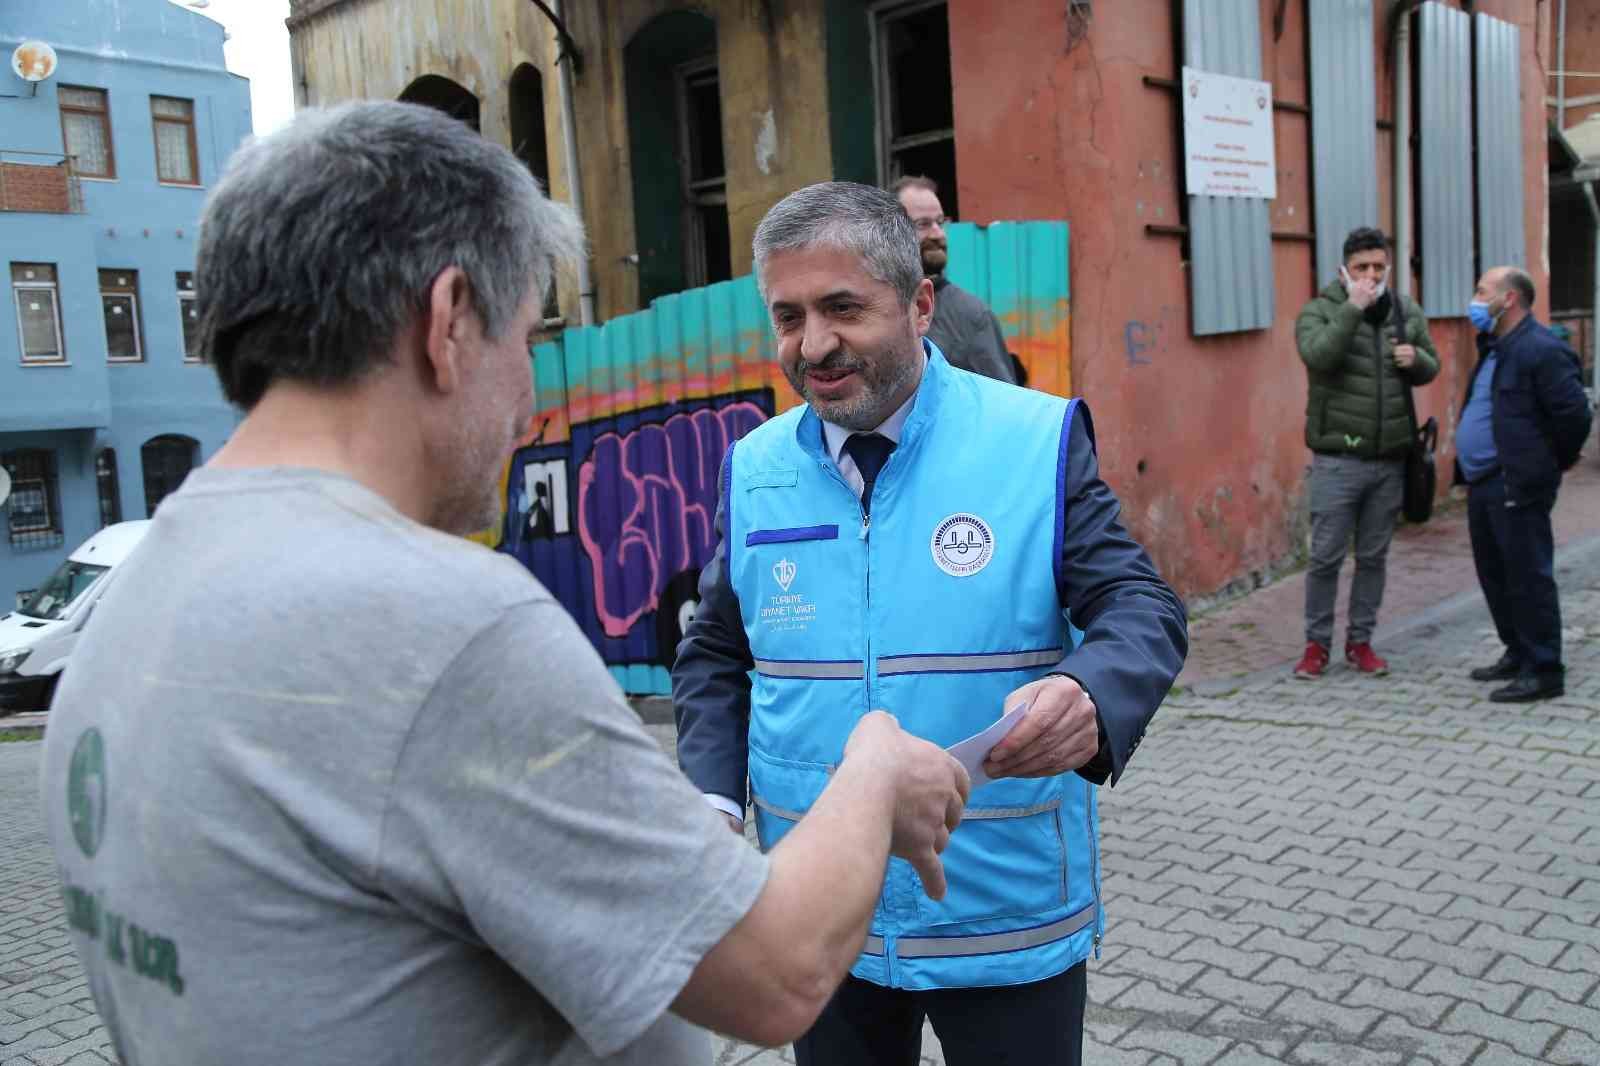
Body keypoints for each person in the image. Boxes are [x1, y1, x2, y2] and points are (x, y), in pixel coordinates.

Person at [39, 102, 971, 1066]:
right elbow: (776, 974)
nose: (528, 404)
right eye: (524, 339)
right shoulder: (444, 627)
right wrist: (872, 771)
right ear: (447, 324)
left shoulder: (138, 590)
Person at [673, 181, 1188, 1066]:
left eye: (843, 307)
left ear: (918, 306)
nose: (815, 345)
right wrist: (711, 802)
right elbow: (716, 651)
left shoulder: (1033, 440)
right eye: (789, 316)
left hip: (1002, 913)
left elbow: (1141, 607)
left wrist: (1089, 693)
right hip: (821, 912)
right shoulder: (752, 466)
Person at [1292, 226, 1440, 679]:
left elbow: (1430, 366)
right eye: (1362, 268)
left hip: (1390, 459)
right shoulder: (1320, 310)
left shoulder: (1404, 310)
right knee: (1326, 558)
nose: (1371, 276)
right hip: (1338, 460)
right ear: (1344, 270)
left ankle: (1361, 642)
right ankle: (1316, 646)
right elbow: (1317, 356)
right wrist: (1352, 309)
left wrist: (1416, 359)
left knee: (1373, 557)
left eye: (1378, 267)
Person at [1456, 266, 1592, 702]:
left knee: (1527, 575)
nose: (1475, 299)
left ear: (1509, 298)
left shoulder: (1540, 348)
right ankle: (1517, 651)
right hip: (1483, 482)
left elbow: (1575, 416)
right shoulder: (1495, 345)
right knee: (1494, 573)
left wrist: (1552, 462)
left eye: (1482, 291)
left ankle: (1544, 669)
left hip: (1518, 481)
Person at [892, 175, 1017, 383]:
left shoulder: (971, 316)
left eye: (940, 222)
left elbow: (1003, 404)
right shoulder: (873, 305)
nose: (938, 234)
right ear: (891, 230)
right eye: (923, 224)